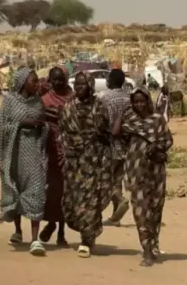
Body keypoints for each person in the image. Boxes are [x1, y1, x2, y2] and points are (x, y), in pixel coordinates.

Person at [113, 87, 173, 267]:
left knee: (155, 207)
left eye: (142, 101)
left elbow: (167, 140)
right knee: (140, 209)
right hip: (135, 169)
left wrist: (157, 148)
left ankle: (154, 244)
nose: (139, 105)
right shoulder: (130, 120)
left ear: (148, 101)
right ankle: (146, 248)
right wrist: (123, 111)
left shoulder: (157, 120)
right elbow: (115, 133)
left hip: (155, 170)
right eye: (135, 102)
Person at [0, 67, 49, 256]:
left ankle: (35, 239)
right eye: (33, 81)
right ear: (22, 82)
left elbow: (44, 123)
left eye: (37, 81)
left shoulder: (38, 103)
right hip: (14, 152)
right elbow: (0, 127)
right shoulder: (9, 102)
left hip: (33, 151)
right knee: (16, 188)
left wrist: (43, 126)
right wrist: (21, 124)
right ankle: (18, 231)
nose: (37, 84)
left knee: (36, 190)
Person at [59, 71, 113, 258]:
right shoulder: (68, 107)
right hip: (74, 162)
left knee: (90, 200)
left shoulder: (100, 106)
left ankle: (86, 239)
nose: (79, 88)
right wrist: (69, 148)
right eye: (77, 85)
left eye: (83, 85)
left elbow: (107, 134)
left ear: (90, 86)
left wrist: (99, 142)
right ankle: (84, 232)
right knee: (72, 200)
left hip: (94, 161)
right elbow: (63, 132)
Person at [39, 66, 73, 246]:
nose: (58, 83)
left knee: (65, 193)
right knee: (51, 192)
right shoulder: (44, 99)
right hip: (49, 151)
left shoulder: (72, 98)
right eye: (55, 80)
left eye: (61, 80)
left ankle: (61, 231)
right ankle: (51, 223)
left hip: (68, 152)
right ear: (50, 81)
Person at [99, 69, 131, 226]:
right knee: (117, 179)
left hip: (109, 145)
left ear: (111, 81)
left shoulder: (105, 98)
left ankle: (119, 199)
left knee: (105, 180)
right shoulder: (130, 99)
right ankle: (115, 217)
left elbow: (101, 121)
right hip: (126, 146)